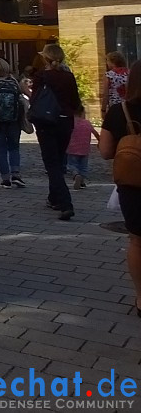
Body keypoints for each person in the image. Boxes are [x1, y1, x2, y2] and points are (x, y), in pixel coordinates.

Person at [98, 61, 141, 316]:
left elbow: (104, 152)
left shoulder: (119, 111)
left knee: (137, 240)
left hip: (134, 185)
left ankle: (140, 297)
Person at [31, 43, 82, 221]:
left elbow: (35, 99)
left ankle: (65, 203)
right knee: (59, 161)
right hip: (65, 121)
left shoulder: (41, 76)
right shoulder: (68, 77)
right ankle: (54, 198)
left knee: (52, 163)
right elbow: (76, 102)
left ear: (45, 58)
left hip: (46, 122)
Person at [0, 57, 25, 189]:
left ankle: (5, 179)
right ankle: (16, 174)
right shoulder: (14, 81)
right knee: (14, 148)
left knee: (0, 151)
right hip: (14, 120)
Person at [66, 105, 98, 190]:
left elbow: (66, 135)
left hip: (72, 149)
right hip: (85, 149)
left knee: (72, 164)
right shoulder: (87, 123)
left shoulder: (71, 123)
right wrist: (100, 141)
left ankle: (76, 175)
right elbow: (95, 133)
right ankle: (82, 181)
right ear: (83, 113)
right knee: (83, 166)